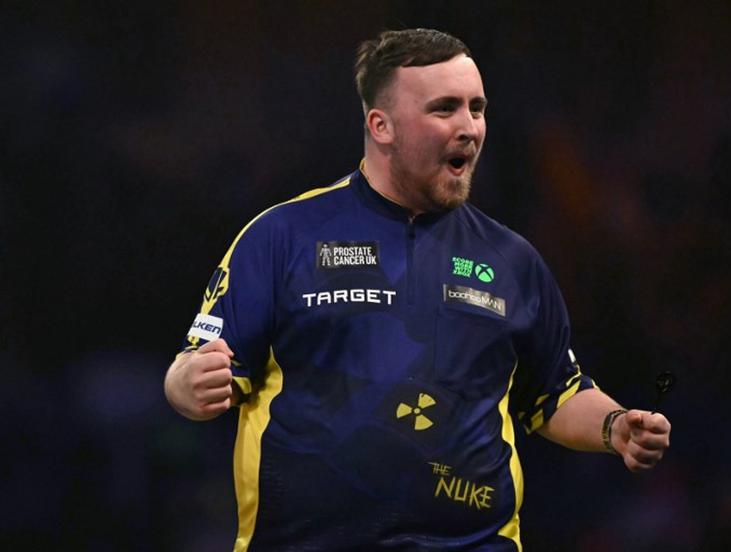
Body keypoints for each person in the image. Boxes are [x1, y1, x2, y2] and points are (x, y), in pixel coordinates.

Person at [164, 28, 671, 552]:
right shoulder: (281, 237)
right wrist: (185, 383)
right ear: (381, 126)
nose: (469, 128)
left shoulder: (512, 259)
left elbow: (555, 393)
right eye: (445, 109)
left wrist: (615, 426)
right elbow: (194, 368)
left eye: (477, 108)